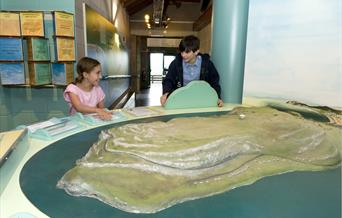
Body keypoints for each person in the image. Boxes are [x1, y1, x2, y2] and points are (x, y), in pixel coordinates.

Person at [160, 35, 223, 107]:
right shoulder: (176, 63)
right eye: (182, 52)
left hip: (202, 101)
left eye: (187, 52)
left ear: (196, 51)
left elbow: (214, 82)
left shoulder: (207, 64)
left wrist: (217, 97)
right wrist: (166, 93)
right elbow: (168, 80)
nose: (183, 55)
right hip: (180, 100)